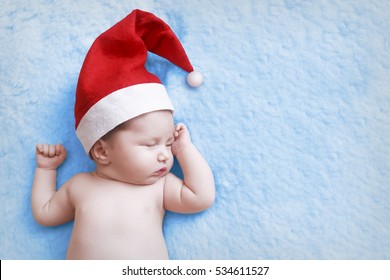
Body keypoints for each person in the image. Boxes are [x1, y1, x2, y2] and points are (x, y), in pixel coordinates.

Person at [31, 9, 215, 259]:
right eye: (151, 145)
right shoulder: (80, 186)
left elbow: (201, 197)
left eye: (169, 143)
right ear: (102, 151)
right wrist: (46, 170)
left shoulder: (158, 187)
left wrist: (184, 150)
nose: (164, 155)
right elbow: (44, 212)